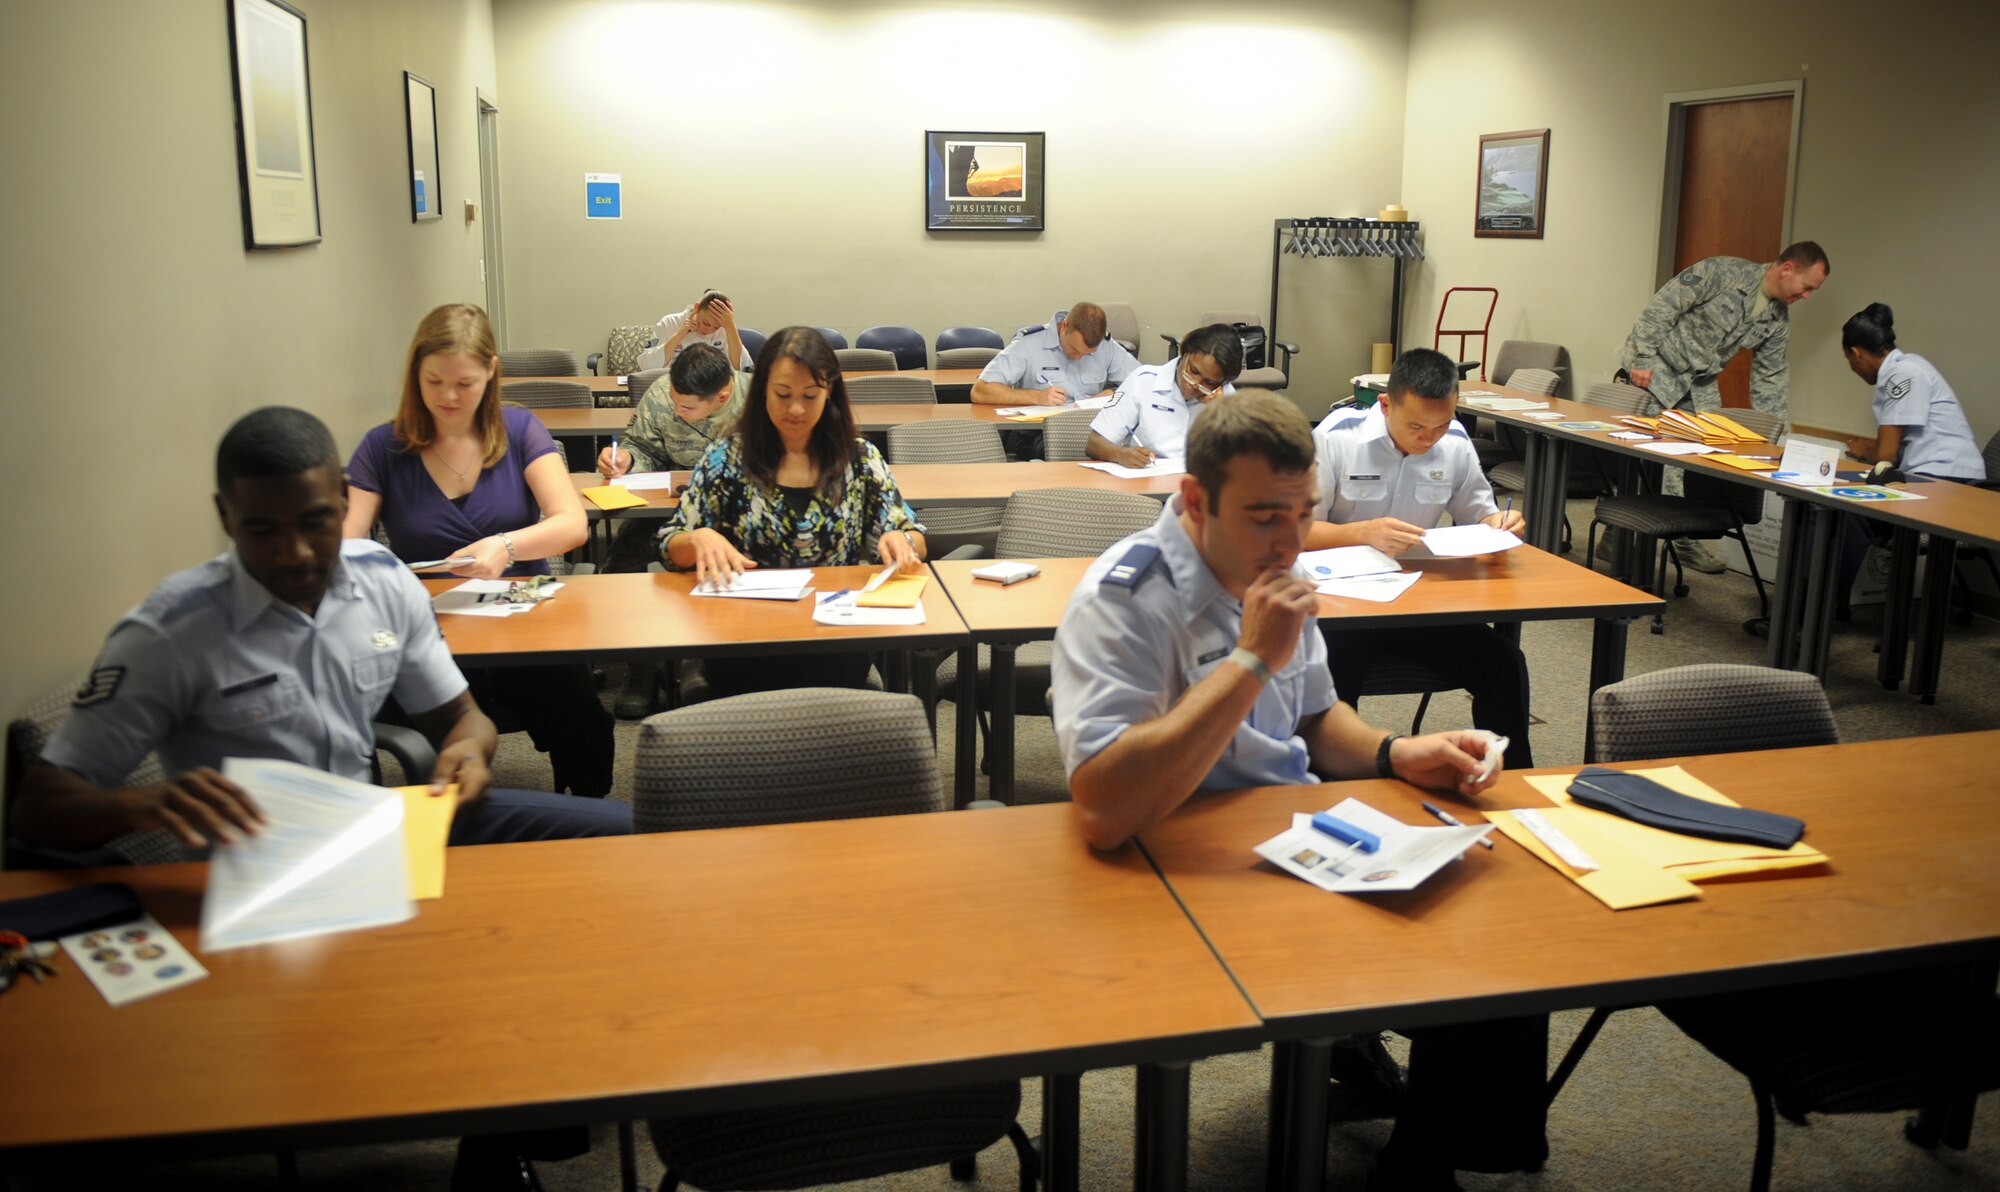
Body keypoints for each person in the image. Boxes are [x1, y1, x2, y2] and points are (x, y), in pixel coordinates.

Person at [15, 407, 628, 1192]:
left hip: (386, 827)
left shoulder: (380, 583)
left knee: (626, 844)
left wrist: (469, 753)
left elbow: (460, 716)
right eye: (263, 531)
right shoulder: (173, 630)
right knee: (489, 951)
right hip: (269, 877)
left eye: (316, 523)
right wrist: (145, 808)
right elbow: (40, 804)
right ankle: (497, 1135)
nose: (297, 553)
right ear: (224, 517)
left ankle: (508, 1123)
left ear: (344, 501)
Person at [1050, 392, 1544, 1189]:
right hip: (1175, 867)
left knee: (1506, 924)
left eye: (1304, 514)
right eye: (1265, 517)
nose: (1291, 542)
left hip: (1293, 834)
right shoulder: (1126, 599)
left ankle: (1421, 1161)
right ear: (1193, 500)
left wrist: (1395, 750)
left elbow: (1315, 716)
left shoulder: (1280, 567)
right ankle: (1352, 1054)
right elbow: (1106, 810)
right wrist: (1249, 662)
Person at [344, 304, 614, 798]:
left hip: (521, 623)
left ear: (490, 372)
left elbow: (572, 523)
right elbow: (347, 546)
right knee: (352, 715)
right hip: (427, 626)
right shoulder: (383, 447)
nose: (448, 397)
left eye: (464, 384)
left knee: (585, 725)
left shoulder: (519, 430)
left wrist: (507, 546)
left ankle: (585, 824)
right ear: (415, 375)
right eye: (434, 382)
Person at [663, 326, 928, 696]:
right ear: (762, 392)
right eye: (783, 394)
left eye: (810, 395)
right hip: (743, 642)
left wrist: (902, 540)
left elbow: (909, 531)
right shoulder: (726, 458)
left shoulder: (859, 458)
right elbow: (670, 545)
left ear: (829, 393)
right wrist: (698, 537)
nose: (797, 409)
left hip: (835, 640)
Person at [1305, 348, 1536, 766]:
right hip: (1343, 605)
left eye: (1441, 424)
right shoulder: (1337, 437)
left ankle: (1514, 785)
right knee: (1328, 675)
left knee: (1502, 662)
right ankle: (1337, 785)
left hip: (1418, 603)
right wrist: (1360, 534)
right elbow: (1296, 532)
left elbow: (1480, 514)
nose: (1429, 438)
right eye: (1416, 425)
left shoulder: (1455, 443)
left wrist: (1501, 522)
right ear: (1386, 404)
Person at [1617, 240, 1831, 572]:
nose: (1807, 296)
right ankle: (1641, 538)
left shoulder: (1777, 320)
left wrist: (1777, 438)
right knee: (1653, 461)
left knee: (1700, 460)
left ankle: (1678, 540)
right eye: (1806, 288)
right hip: (1655, 370)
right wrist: (1642, 358)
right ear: (1787, 269)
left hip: (1699, 385)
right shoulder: (1723, 272)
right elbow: (1663, 306)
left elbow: (1770, 377)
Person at [596, 342, 751, 716]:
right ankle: (642, 670)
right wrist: (626, 459)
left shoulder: (756, 401)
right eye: (676, 401)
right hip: (671, 510)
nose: (678, 410)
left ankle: (741, 665)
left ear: (723, 395)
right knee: (623, 563)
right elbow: (641, 445)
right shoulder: (662, 394)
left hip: (739, 510)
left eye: (688, 407)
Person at [1834, 302, 1986, 615]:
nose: (1852, 368)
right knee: (1835, 505)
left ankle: (1816, 609)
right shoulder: (1906, 367)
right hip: (1936, 479)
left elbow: (1886, 456)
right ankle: (1819, 604)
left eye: (1849, 360)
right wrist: (1871, 449)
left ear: (1856, 353)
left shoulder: (1903, 374)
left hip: (1948, 484)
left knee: (1848, 509)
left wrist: (1866, 451)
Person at [1085, 323, 1243, 468]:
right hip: (1147, 486)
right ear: (1185, 353)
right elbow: (1093, 444)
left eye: (1208, 382)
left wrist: (1221, 411)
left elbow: (1246, 458)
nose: (1195, 384)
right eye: (1193, 371)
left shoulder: (1225, 396)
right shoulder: (1143, 381)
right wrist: (1121, 454)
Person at [970, 301, 1138, 407]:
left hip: (1094, 430)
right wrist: (1036, 397)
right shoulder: (1029, 344)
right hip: (1040, 434)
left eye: (1088, 354)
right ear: (1064, 326)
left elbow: (1145, 382)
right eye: (1074, 349)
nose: (1079, 357)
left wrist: (1114, 394)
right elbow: (980, 391)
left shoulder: (1107, 346)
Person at [635, 288, 753, 372]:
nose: (709, 330)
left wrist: (730, 327)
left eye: (715, 327)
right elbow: (646, 366)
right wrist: (679, 335)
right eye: (705, 323)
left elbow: (742, 369)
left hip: (712, 389)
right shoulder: (670, 322)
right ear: (696, 308)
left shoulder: (725, 328)